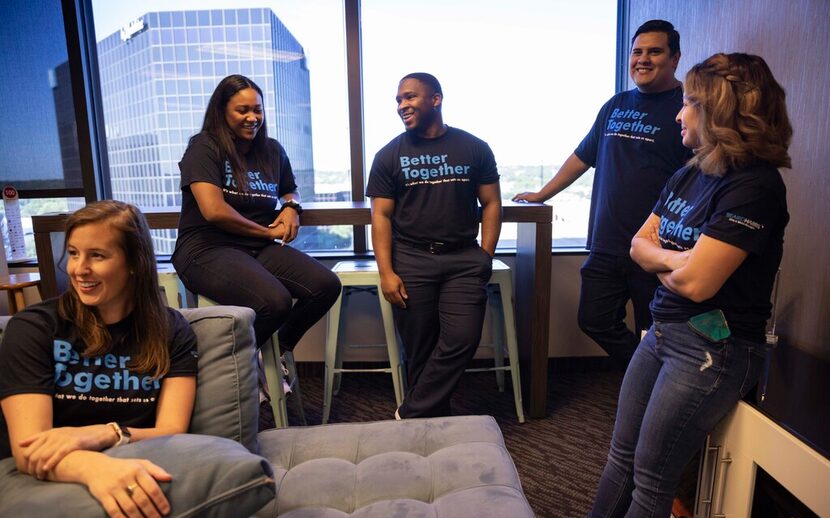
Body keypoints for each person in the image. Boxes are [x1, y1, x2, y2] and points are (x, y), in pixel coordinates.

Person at [569, 52, 792, 518]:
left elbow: (697, 287)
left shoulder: (755, 187)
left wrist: (673, 263)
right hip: (663, 331)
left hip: (715, 349)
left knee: (651, 476)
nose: (678, 114)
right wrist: (683, 258)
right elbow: (638, 245)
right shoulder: (692, 172)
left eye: (689, 103)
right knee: (620, 455)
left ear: (719, 111)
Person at [0, 200, 199, 518]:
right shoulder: (34, 327)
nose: (79, 269)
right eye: (74, 253)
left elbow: (173, 429)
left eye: (97, 255)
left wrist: (106, 432)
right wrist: (95, 468)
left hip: (135, 463)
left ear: (135, 262)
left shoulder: (171, 330)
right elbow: (29, 449)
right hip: (44, 476)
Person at [514, 20, 690, 371]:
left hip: (657, 246)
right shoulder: (616, 105)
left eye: (654, 51)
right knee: (593, 318)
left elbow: (698, 180)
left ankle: (650, 393)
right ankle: (645, 375)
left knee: (653, 330)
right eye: (637, 52)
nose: (643, 59)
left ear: (674, 59)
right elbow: (583, 157)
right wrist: (542, 193)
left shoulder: (686, 108)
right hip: (607, 241)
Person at [172, 75, 341, 387]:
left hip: (254, 248)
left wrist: (292, 207)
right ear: (222, 111)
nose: (253, 118)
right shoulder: (204, 147)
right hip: (206, 248)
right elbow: (214, 210)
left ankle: (273, 351)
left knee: (326, 285)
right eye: (242, 110)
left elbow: (290, 189)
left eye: (258, 110)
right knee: (274, 301)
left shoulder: (272, 151)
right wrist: (266, 233)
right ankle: (231, 373)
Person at [367, 72, 502, 419]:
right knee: (420, 348)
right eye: (398, 100)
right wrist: (386, 272)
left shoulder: (474, 148)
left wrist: (485, 254)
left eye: (409, 97)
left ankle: (409, 413)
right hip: (411, 258)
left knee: (462, 338)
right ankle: (429, 423)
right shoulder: (388, 155)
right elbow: (380, 217)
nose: (402, 105)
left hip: (463, 259)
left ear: (436, 99)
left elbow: (491, 204)